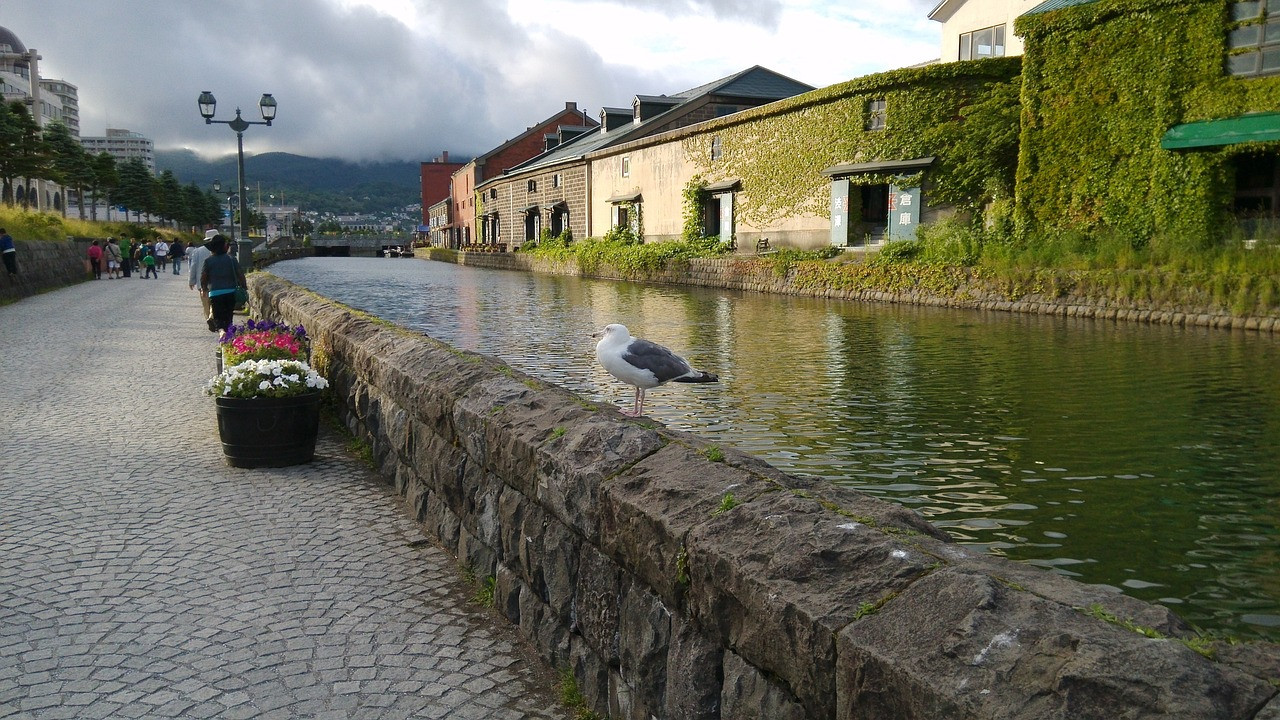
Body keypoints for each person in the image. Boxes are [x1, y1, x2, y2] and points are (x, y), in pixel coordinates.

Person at [200, 235, 247, 336]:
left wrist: (204, 289)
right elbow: (240, 275)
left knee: (218, 318)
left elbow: (203, 277)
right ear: (224, 246)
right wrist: (244, 287)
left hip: (215, 293)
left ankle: (221, 332)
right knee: (228, 317)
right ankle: (227, 338)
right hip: (230, 292)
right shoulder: (231, 259)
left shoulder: (208, 261)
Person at [189, 230, 216, 328]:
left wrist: (191, 281)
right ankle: (212, 317)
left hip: (202, 282)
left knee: (205, 303)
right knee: (215, 301)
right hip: (216, 282)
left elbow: (193, 266)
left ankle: (208, 318)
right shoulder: (220, 250)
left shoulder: (198, 251)